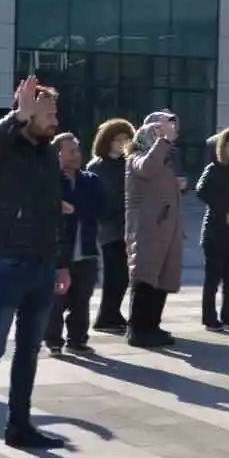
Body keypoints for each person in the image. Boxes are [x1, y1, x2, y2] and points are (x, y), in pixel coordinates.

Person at [0, 78, 71, 451]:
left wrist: (60, 263)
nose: (55, 120)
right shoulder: (5, 147)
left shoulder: (46, 154)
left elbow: (52, 211)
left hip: (41, 265)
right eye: (49, 114)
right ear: (29, 114)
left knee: (28, 352)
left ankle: (19, 426)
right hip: (3, 264)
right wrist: (15, 118)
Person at [124, 111, 183, 349]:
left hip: (166, 226)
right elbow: (147, 168)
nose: (170, 134)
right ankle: (138, 329)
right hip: (147, 228)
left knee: (162, 278)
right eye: (163, 130)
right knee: (145, 276)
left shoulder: (167, 157)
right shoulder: (137, 156)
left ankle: (152, 326)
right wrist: (162, 142)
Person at [44, 132, 105, 356]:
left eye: (78, 150)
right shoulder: (47, 181)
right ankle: (53, 340)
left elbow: (101, 208)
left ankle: (78, 339)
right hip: (57, 250)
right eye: (71, 151)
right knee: (56, 300)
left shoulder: (90, 180)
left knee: (82, 298)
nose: (76, 155)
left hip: (86, 249)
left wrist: (72, 207)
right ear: (57, 154)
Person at [195, 128, 229, 333]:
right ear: (222, 148)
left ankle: (228, 316)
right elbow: (201, 190)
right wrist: (225, 209)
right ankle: (209, 317)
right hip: (215, 231)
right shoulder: (214, 168)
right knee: (213, 277)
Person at [88, 119, 133, 335]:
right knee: (115, 274)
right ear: (108, 141)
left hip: (127, 227)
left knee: (123, 276)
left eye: (126, 138)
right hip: (109, 228)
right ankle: (106, 315)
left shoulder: (128, 163)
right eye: (118, 139)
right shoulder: (98, 166)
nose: (123, 143)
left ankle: (112, 312)